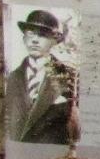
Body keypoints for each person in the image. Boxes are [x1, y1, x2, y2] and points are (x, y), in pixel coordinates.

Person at [5, 9, 77, 147]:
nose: (35, 40)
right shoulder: (13, 78)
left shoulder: (69, 77)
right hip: (19, 155)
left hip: (51, 156)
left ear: (54, 41)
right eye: (30, 33)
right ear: (23, 38)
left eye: (42, 35)